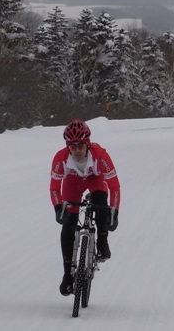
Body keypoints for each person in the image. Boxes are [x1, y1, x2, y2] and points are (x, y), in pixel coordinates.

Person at [49, 118, 121, 296]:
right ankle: (67, 275)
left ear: (87, 144)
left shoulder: (100, 156)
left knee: (100, 205)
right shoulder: (60, 158)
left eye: (80, 145)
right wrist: (58, 208)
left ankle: (102, 243)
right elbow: (54, 188)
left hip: (95, 179)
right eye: (72, 146)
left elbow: (114, 187)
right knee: (69, 223)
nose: (77, 150)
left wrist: (114, 212)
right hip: (72, 183)